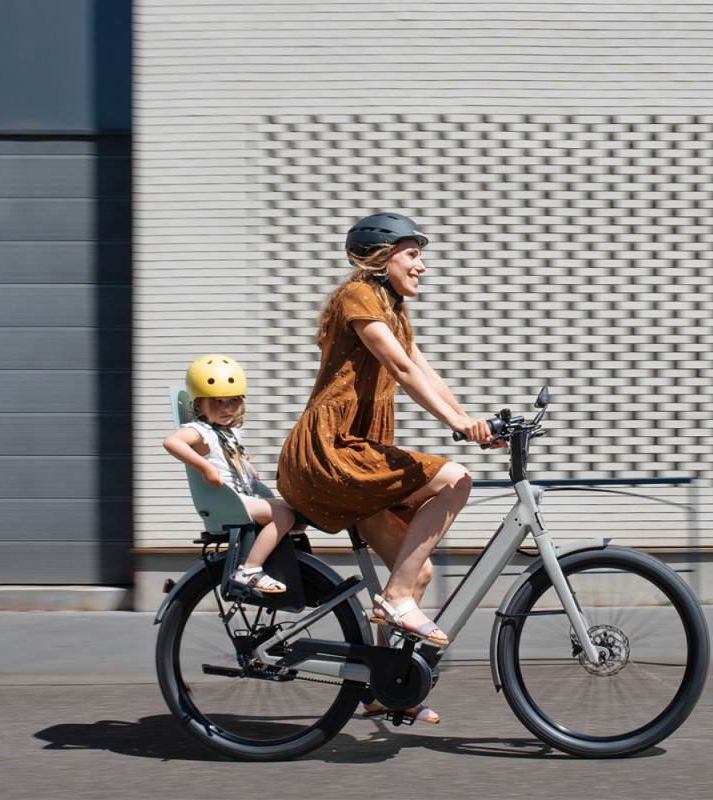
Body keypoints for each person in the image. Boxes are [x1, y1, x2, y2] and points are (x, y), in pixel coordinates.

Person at [277, 213, 491, 722]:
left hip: (356, 454)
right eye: (412, 254)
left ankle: (382, 686)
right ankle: (393, 599)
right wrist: (458, 425)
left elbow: (424, 371)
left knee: (417, 572)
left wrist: (475, 422)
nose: (422, 266)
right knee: (455, 479)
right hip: (331, 450)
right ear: (381, 257)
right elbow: (399, 367)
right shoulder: (358, 296)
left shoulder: (392, 309)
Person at [164, 354, 296, 593]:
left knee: (296, 510)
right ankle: (250, 569)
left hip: (242, 498)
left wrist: (246, 465)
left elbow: (226, 457)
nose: (226, 408)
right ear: (198, 405)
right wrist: (205, 468)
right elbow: (172, 442)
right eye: (218, 402)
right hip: (230, 502)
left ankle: (279, 561)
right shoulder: (200, 430)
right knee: (284, 516)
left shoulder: (226, 432)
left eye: (233, 401)